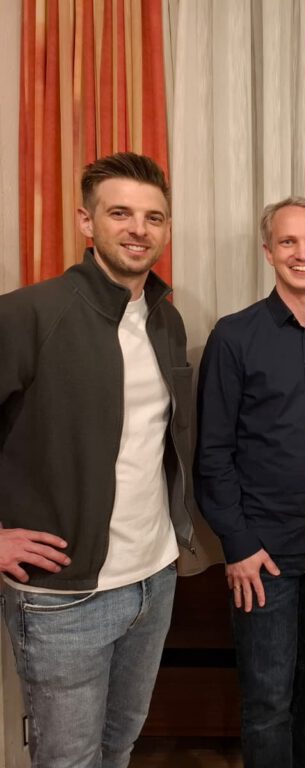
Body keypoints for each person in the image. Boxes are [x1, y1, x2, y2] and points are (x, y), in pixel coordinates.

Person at [0, 152, 199, 767]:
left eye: (153, 217)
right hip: (65, 595)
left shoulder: (166, 321)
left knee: (119, 748)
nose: (139, 229)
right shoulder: (27, 314)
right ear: (87, 222)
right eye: (120, 213)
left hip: (154, 577)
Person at [195, 197, 305, 768]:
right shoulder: (233, 335)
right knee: (268, 700)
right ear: (268, 251)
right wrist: (237, 545)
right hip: (262, 555)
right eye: (289, 242)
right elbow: (212, 453)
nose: (303, 253)